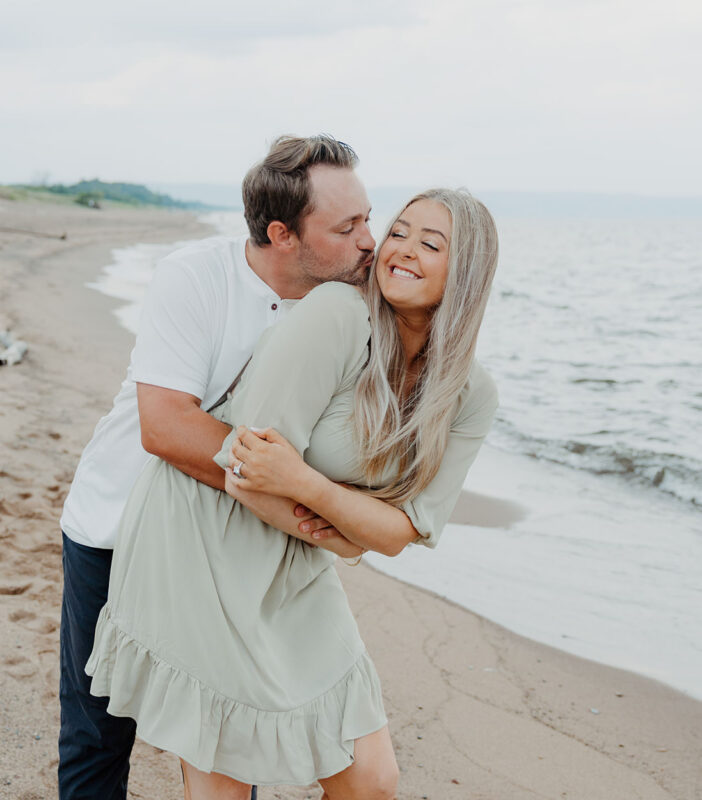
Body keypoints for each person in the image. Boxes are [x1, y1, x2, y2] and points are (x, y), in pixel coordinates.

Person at [85, 188, 499, 800]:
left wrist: (310, 488)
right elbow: (250, 471)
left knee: (371, 778)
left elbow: (398, 533)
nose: (402, 251)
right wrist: (352, 525)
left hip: (295, 556)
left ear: (465, 274)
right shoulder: (339, 314)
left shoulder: (468, 394)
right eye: (400, 231)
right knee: (223, 771)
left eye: (430, 244)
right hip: (204, 531)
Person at [58, 134, 376, 800]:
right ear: (284, 233)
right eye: (347, 227)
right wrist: (292, 490)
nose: (369, 241)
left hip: (231, 543)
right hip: (116, 527)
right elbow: (166, 426)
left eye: (368, 219)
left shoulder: (349, 305)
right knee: (98, 732)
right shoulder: (194, 275)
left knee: (231, 739)